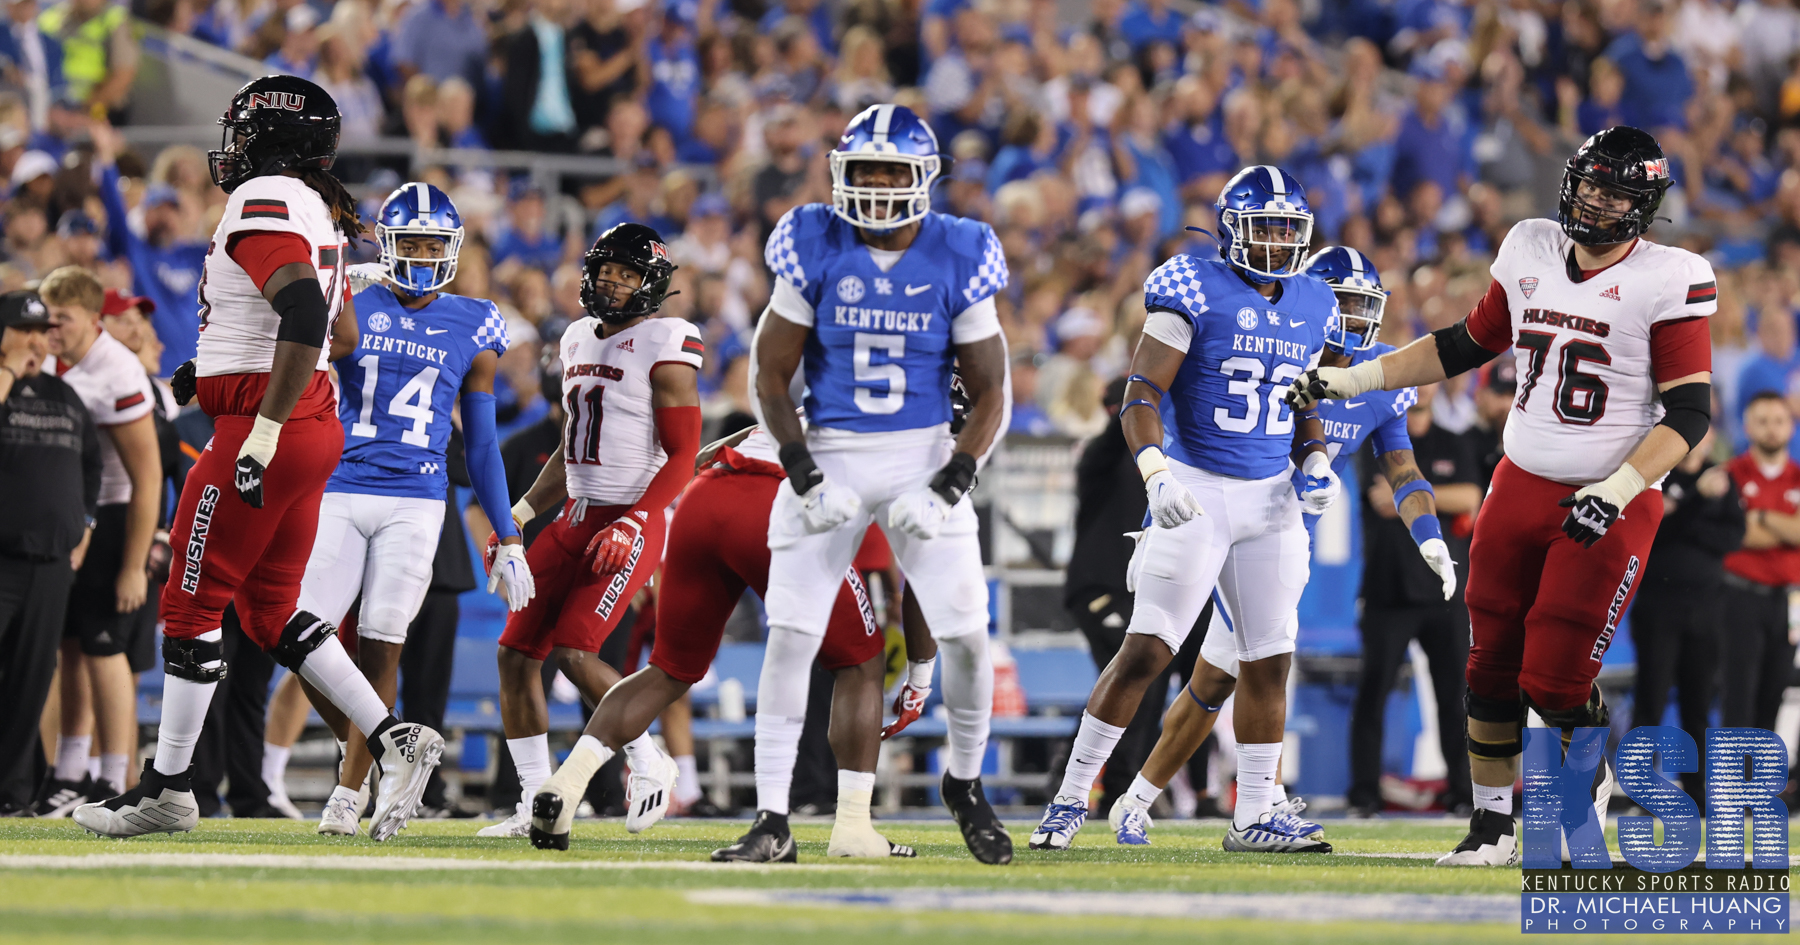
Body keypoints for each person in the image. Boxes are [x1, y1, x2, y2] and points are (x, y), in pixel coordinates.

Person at [1287, 127, 1716, 867]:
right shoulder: (1531, 247)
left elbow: (1689, 413)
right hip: (1519, 476)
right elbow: (1464, 342)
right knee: (1487, 664)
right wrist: (1356, 377)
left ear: (1642, 206)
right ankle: (1490, 828)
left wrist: (1615, 490)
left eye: (1615, 191)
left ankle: (1583, 796)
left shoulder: (1669, 277)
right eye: (1589, 182)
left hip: (1612, 487)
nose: (1595, 200)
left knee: (1553, 677)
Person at [74, 76, 443, 842]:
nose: (234, 146)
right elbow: (336, 335)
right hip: (307, 423)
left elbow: (306, 313)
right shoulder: (316, 204)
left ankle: (169, 786)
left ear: (273, 140)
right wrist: (210, 370)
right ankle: (393, 740)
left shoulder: (267, 195)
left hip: (264, 429)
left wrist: (262, 426)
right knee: (271, 609)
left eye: (245, 131)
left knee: (189, 603)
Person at [1099, 246, 1461, 843]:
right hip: (1230, 527)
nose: (1349, 316)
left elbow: (1402, 468)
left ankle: (1140, 801)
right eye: (1339, 301)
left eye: (1360, 304)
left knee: (1218, 679)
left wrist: (1429, 535)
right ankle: (1256, 805)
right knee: (1250, 667)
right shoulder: (1277, 354)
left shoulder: (1378, 380)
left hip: (1282, 542)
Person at [1031, 167, 1341, 855]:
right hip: (1197, 485)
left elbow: (1306, 399)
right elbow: (1140, 394)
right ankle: (1069, 797)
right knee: (1146, 649)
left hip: (1270, 497)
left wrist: (1314, 457)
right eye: (1266, 229)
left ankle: (1256, 811)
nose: (1278, 243)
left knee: (1268, 659)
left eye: (1289, 230)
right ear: (1231, 228)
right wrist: (1156, 473)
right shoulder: (1192, 285)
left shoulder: (1317, 300)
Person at [741, 104, 1013, 865]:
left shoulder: (959, 250)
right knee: (790, 632)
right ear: (840, 174)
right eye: (866, 171)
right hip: (830, 445)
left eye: (895, 171)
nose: (881, 186)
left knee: (966, 635)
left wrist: (953, 478)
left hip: (922, 449)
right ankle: (772, 815)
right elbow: (768, 370)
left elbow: (992, 389)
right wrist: (802, 470)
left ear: (924, 177)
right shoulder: (814, 241)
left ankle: (964, 782)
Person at [529, 418, 915, 857]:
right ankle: (852, 828)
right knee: (862, 661)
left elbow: (716, 450)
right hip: (776, 502)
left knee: (668, 671)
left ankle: (566, 784)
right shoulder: (918, 429)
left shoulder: (831, 391)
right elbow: (922, 574)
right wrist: (920, 674)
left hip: (705, 496)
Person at [297, 183, 534, 837]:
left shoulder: (475, 318)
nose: (425, 255)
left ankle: (347, 795)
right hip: (341, 485)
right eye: (412, 242)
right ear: (388, 243)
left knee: (380, 645)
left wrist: (508, 535)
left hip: (417, 498)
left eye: (436, 244)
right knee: (303, 635)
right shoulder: (348, 301)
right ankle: (385, 744)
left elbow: (482, 442)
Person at [487, 223, 702, 840]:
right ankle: (534, 798)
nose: (613, 281)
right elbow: (572, 447)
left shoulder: (667, 343)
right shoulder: (579, 335)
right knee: (514, 653)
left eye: (628, 274)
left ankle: (648, 757)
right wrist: (521, 516)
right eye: (607, 269)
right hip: (575, 514)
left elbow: (684, 455)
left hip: (632, 516)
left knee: (577, 652)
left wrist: (637, 521)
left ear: (652, 285)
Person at [31, 266, 160, 817]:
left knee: (106, 650)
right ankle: (69, 772)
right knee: (70, 647)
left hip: (112, 514)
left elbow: (146, 475)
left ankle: (115, 776)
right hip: (74, 516)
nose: (51, 327)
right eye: (47, 317)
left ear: (91, 318)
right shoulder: (56, 358)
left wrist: (133, 564)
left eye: (62, 318)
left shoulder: (117, 370)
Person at [0, 290, 100, 817]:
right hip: (3, 559)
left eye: (42, 332)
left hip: (51, 567)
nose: (36, 342)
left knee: (30, 684)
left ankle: (13, 794)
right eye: (23, 330)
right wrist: (9, 370)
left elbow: (91, 467)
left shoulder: (65, 395)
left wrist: (83, 525)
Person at [1631, 425, 1741, 802]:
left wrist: (1686, 517)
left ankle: (1697, 791)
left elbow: (1732, 538)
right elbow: (1654, 529)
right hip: (1658, 605)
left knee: (1698, 702)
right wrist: (1697, 502)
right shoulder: (1660, 476)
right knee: (1651, 699)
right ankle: (1641, 793)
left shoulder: (1724, 481)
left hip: (1706, 608)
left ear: (1712, 439)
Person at [91, 121, 210, 374]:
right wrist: (106, 158)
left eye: (172, 210)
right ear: (144, 216)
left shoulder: (197, 255)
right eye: (158, 210)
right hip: (158, 370)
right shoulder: (136, 252)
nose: (165, 218)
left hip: (202, 373)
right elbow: (114, 210)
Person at [1720, 393, 1800, 732]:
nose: (1772, 429)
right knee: (1739, 695)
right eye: (1763, 421)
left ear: (1791, 427)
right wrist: (1787, 527)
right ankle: (1732, 784)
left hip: (1787, 601)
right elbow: (1741, 535)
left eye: (1779, 421)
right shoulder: (1730, 474)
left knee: (1774, 694)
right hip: (1740, 599)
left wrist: (1763, 515)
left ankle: (1762, 784)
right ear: (1747, 426)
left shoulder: (1797, 476)